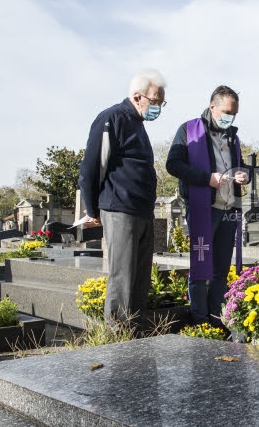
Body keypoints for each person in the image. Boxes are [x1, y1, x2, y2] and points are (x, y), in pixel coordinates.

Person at [78, 69, 166, 328]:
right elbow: (92, 167)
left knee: (140, 278)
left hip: (142, 210)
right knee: (123, 276)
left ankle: (135, 331)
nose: (158, 108)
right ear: (138, 97)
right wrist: (92, 209)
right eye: (156, 101)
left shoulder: (138, 124)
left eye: (162, 102)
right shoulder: (111, 118)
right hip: (120, 208)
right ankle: (117, 335)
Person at [166, 85, 250, 325]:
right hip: (204, 208)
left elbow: (240, 165)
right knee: (200, 269)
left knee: (221, 271)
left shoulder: (232, 135)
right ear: (212, 107)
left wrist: (244, 175)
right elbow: (173, 164)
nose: (230, 117)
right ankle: (200, 321)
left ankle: (217, 320)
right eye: (226, 112)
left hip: (228, 209)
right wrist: (207, 178)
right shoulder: (189, 130)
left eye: (234, 113)